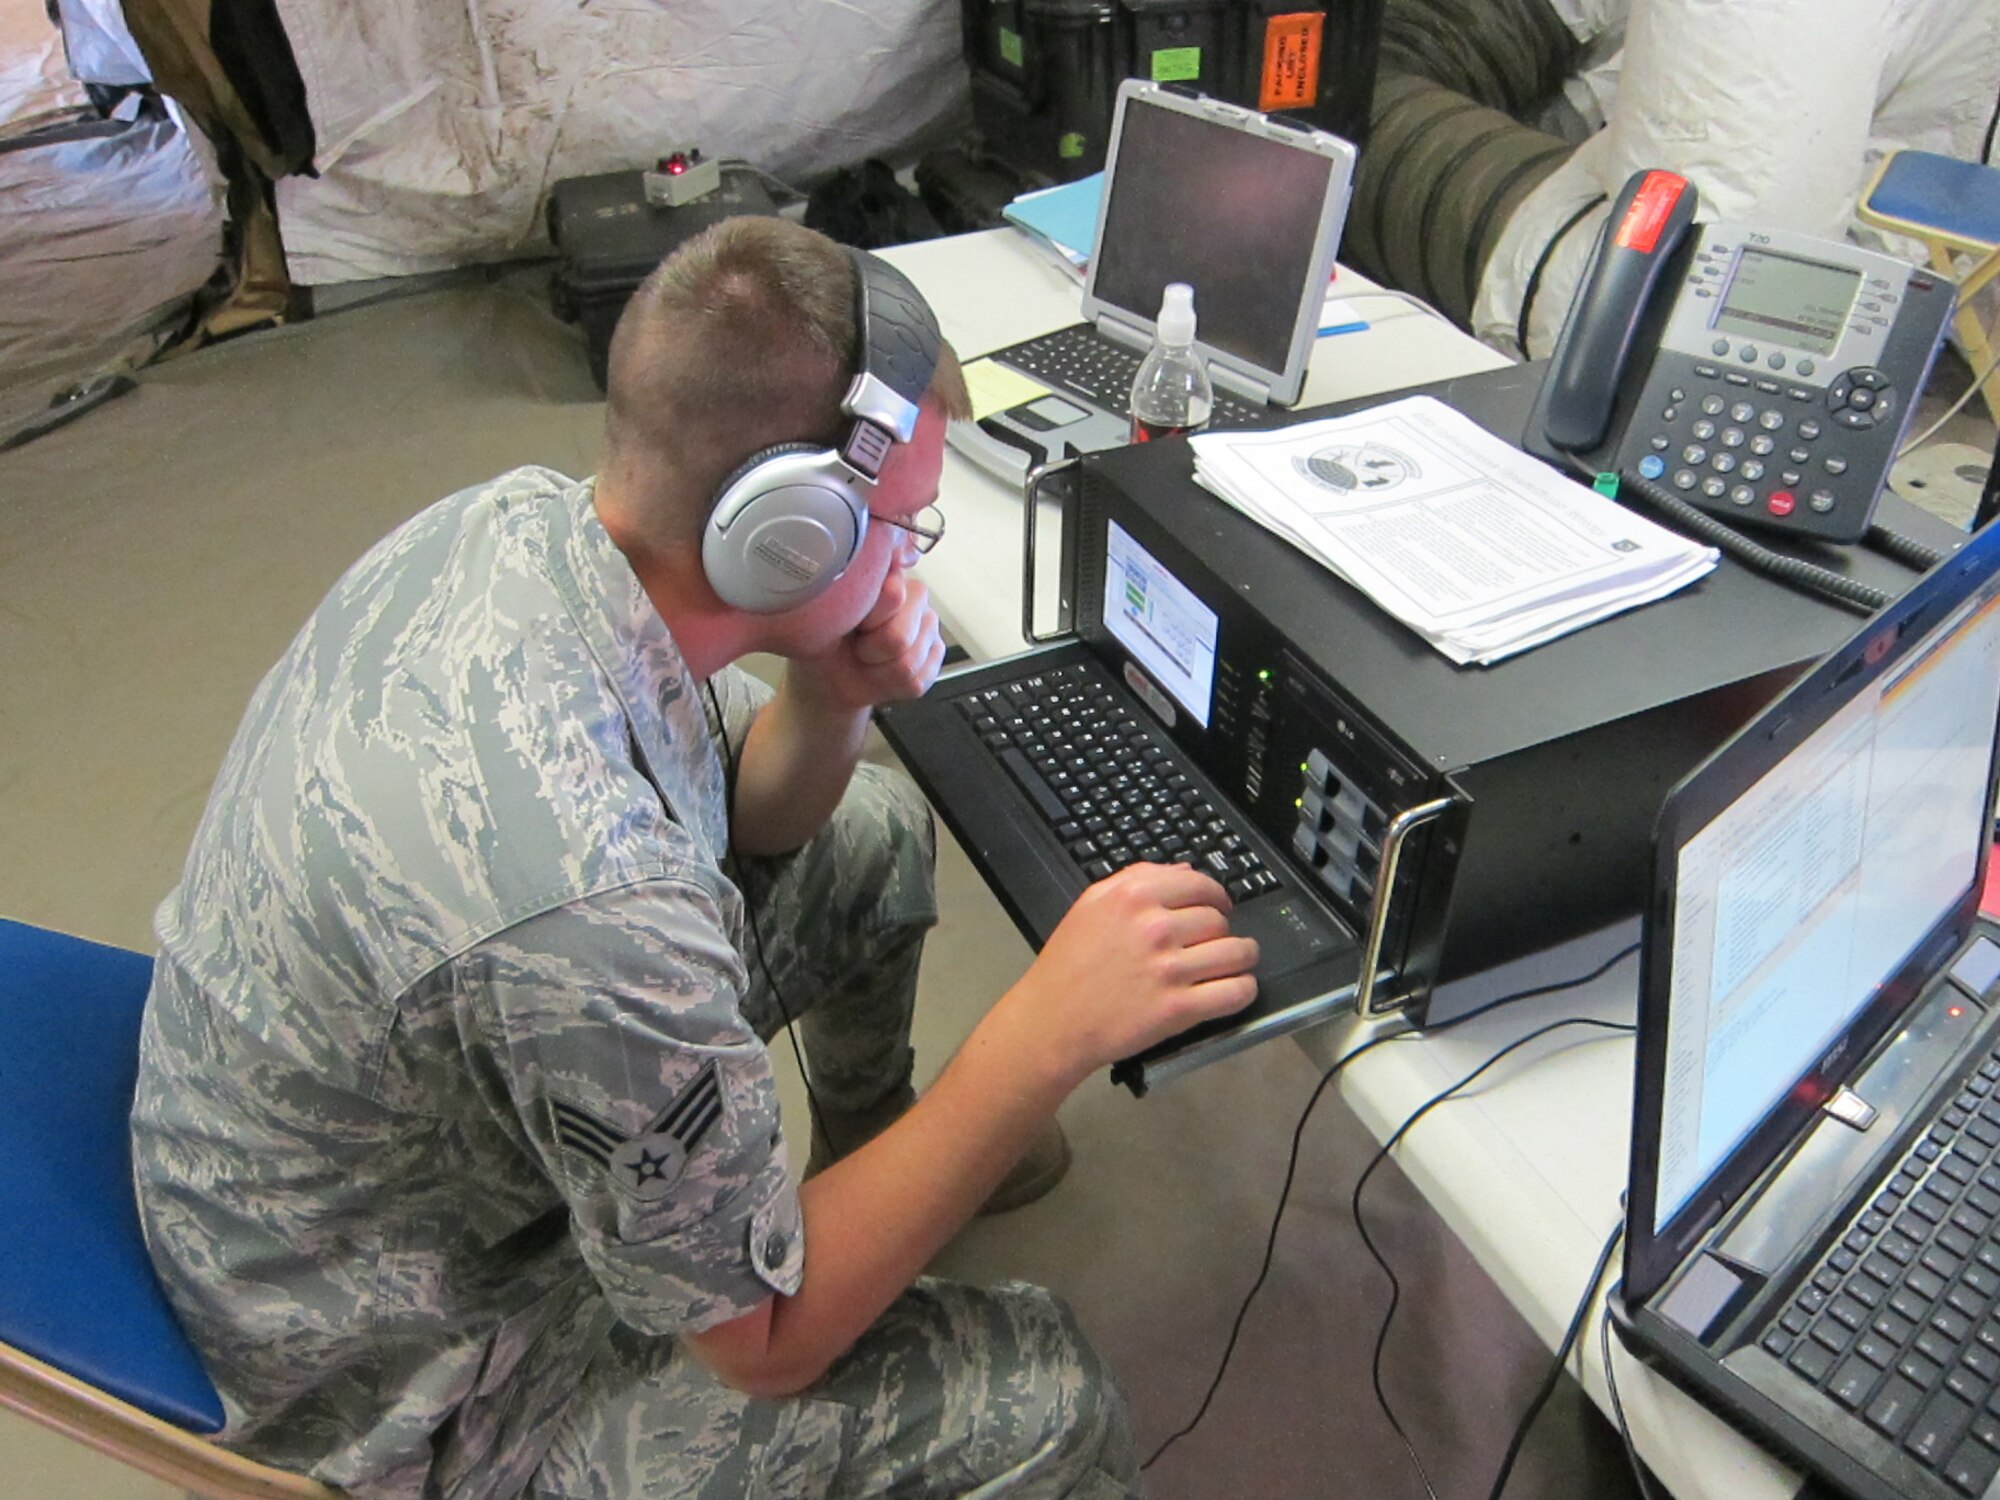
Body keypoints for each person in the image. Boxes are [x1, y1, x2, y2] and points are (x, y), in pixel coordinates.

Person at [131, 216, 1262, 1500]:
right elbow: (759, 1350)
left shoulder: (517, 532)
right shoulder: (591, 913)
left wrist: (831, 697)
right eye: (900, 525)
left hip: (341, 1156)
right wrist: (1039, 1036)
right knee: (1039, 1389)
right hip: (396, 1354)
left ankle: (863, 1147)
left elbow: (743, 828)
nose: (908, 561)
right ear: (790, 534)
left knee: (870, 832)